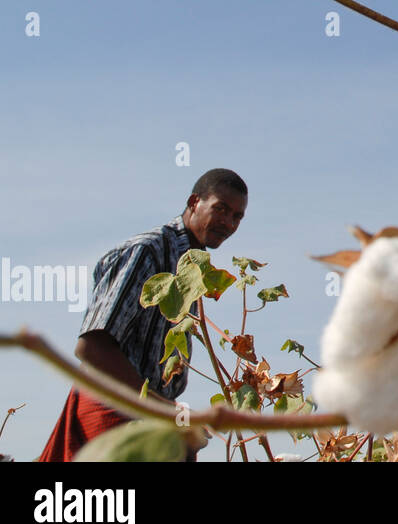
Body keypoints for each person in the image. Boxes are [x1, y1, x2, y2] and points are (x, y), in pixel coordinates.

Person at [36, 168, 248, 461]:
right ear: (194, 202)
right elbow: (93, 346)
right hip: (111, 411)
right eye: (221, 209)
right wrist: (165, 411)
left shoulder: (192, 269)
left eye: (237, 217)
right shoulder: (147, 251)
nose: (228, 222)